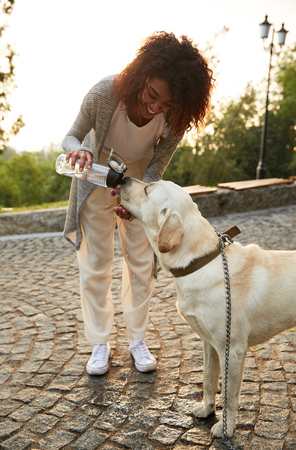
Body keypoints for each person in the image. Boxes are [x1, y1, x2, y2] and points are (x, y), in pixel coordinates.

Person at [62, 31, 214, 375]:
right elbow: (70, 135)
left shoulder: (175, 117)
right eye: (152, 95)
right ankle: (100, 342)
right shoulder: (104, 93)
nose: (157, 107)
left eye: (167, 104)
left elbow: (159, 164)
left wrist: (139, 199)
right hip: (95, 171)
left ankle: (137, 340)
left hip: (140, 180)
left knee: (142, 264)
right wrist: (79, 149)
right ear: (140, 77)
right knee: (96, 262)